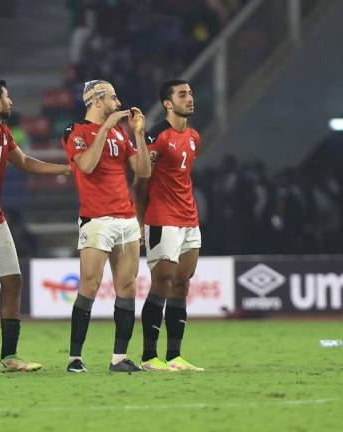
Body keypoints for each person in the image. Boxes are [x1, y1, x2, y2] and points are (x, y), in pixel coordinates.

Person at [0, 78, 71, 372]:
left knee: (13, 280)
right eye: (8, 96)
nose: (13, 102)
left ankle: (9, 356)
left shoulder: (2, 131)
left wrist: (68, 168)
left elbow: (25, 161)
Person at [62, 79, 150, 373]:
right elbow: (86, 166)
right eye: (112, 97)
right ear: (97, 101)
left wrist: (138, 134)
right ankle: (75, 358)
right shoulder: (76, 132)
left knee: (127, 287)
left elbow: (143, 170)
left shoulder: (121, 132)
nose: (118, 101)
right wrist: (105, 127)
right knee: (89, 285)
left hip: (126, 219)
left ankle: (119, 358)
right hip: (96, 219)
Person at [135, 79, 204, 372]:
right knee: (161, 284)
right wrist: (139, 222)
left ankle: (175, 356)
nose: (189, 98)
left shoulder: (194, 137)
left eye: (189, 93)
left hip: (190, 220)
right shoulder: (156, 137)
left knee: (182, 284)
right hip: (162, 219)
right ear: (167, 103)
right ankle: (150, 356)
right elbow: (140, 182)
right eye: (182, 94)